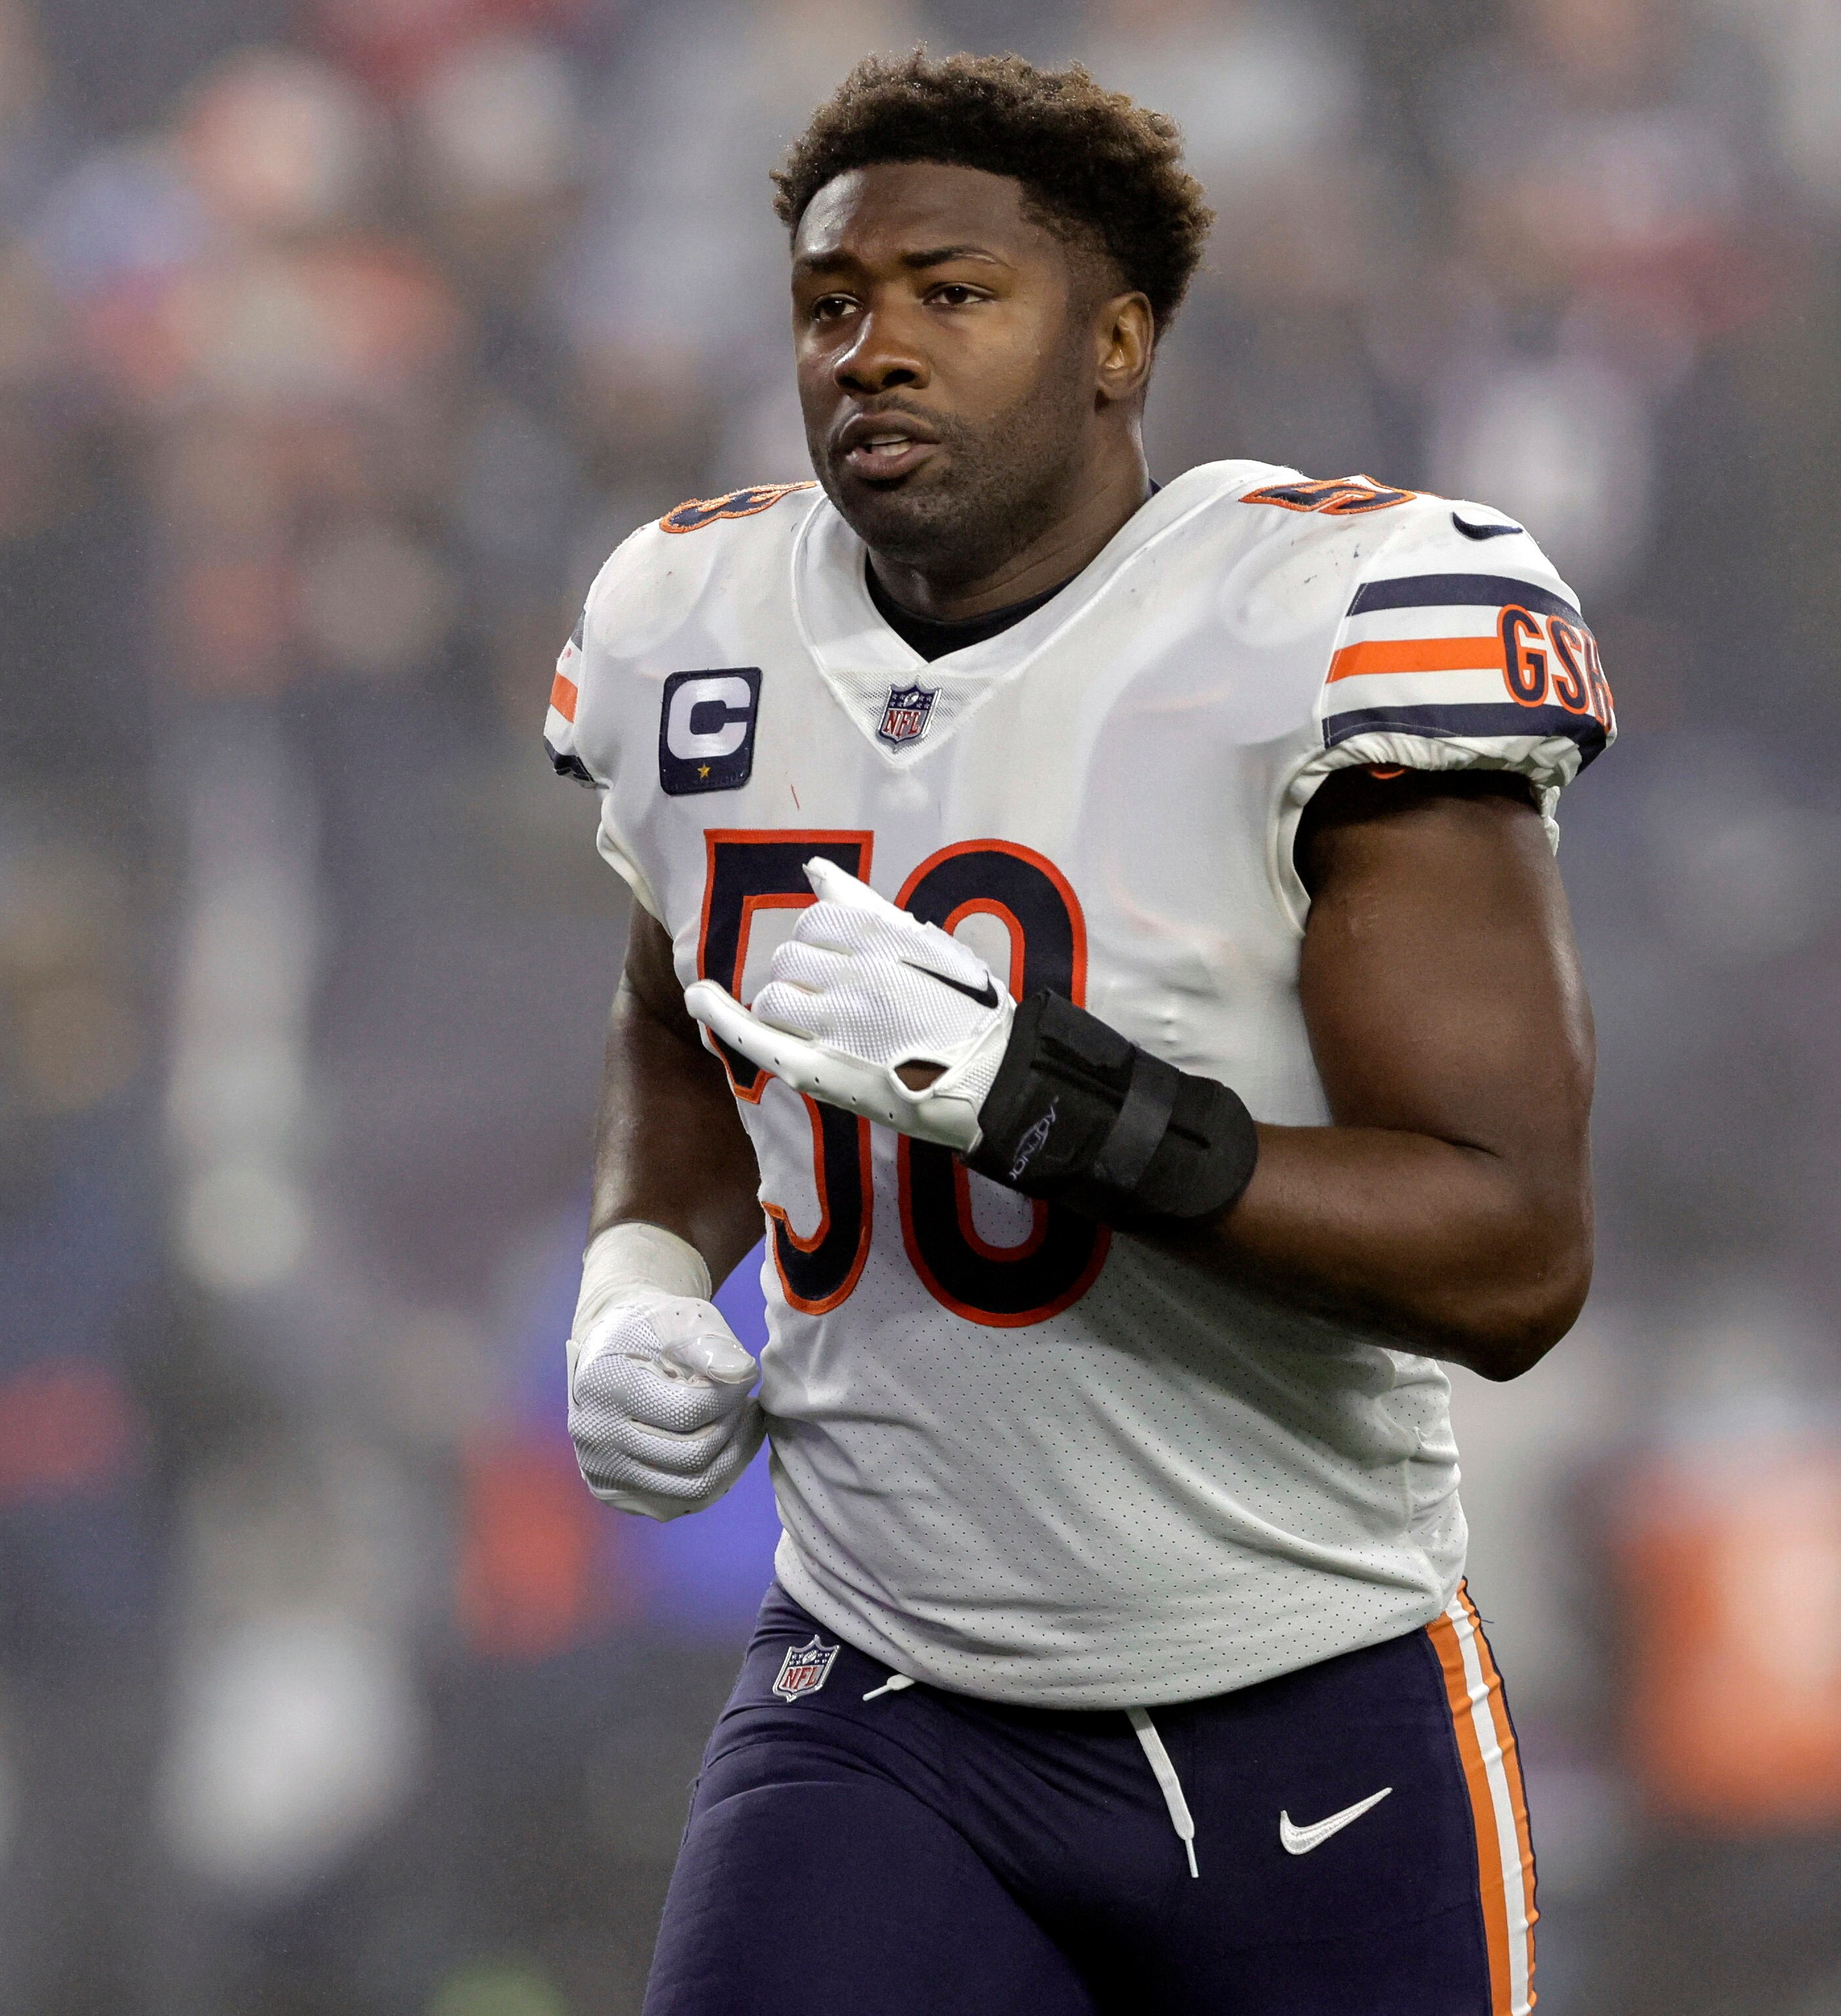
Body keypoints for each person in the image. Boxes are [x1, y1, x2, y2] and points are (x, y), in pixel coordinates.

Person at [545, 53, 1609, 2016]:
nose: (872, 349)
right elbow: (679, 1011)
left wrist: (1052, 1101)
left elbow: (1512, 1252)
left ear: (1117, 342)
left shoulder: (1325, 612)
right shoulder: (686, 616)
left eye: (953, 294)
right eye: (830, 303)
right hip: (879, 1694)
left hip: (1303, 1697)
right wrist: (637, 1280)